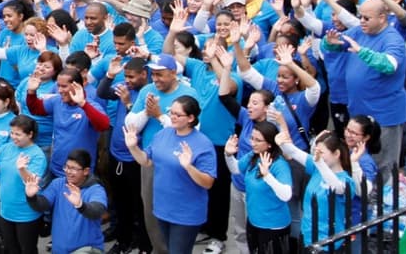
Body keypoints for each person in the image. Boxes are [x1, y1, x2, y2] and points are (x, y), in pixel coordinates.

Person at [321, 0, 406, 181]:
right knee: (359, 161)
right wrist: (329, 43)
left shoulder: (393, 39)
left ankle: (385, 203)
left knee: (383, 164)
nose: (361, 21)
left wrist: (362, 52)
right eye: (360, 17)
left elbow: (390, 65)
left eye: (367, 18)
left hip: (384, 115)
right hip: (359, 113)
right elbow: (336, 44)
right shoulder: (359, 31)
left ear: (382, 17)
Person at [124, 95, 217, 254]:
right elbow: (146, 161)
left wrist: (188, 167)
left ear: (191, 118)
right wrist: (133, 147)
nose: (172, 117)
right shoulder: (163, 135)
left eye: (177, 114)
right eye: (171, 112)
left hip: (185, 213)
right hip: (162, 208)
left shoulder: (203, 144)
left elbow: (208, 182)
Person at [0, 115, 48, 254]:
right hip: (5, 210)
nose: (13, 137)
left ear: (30, 134)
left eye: (18, 134)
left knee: (27, 249)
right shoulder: (7, 148)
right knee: (11, 249)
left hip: (26, 213)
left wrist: (22, 169)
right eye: (12, 133)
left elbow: (30, 183)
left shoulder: (37, 155)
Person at [225, 121, 293, 254]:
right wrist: (228, 155)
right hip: (254, 222)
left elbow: (286, 195)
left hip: (273, 227)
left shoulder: (279, 165)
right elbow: (236, 168)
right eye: (252, 138)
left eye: (258, 140)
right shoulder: (253, 156)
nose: (252, 143)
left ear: (269, 143)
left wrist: (267, 176)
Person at [23, 149, 108, 254]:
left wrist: (80, 205)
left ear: (86, 171)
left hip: (86, 249)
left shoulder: (95, 189)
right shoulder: (58, 184)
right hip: (59, 249)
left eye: (73, 168)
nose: (68, 171)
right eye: (67, 167)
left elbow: (97, 211)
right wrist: (32, 197)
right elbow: (43, 205)